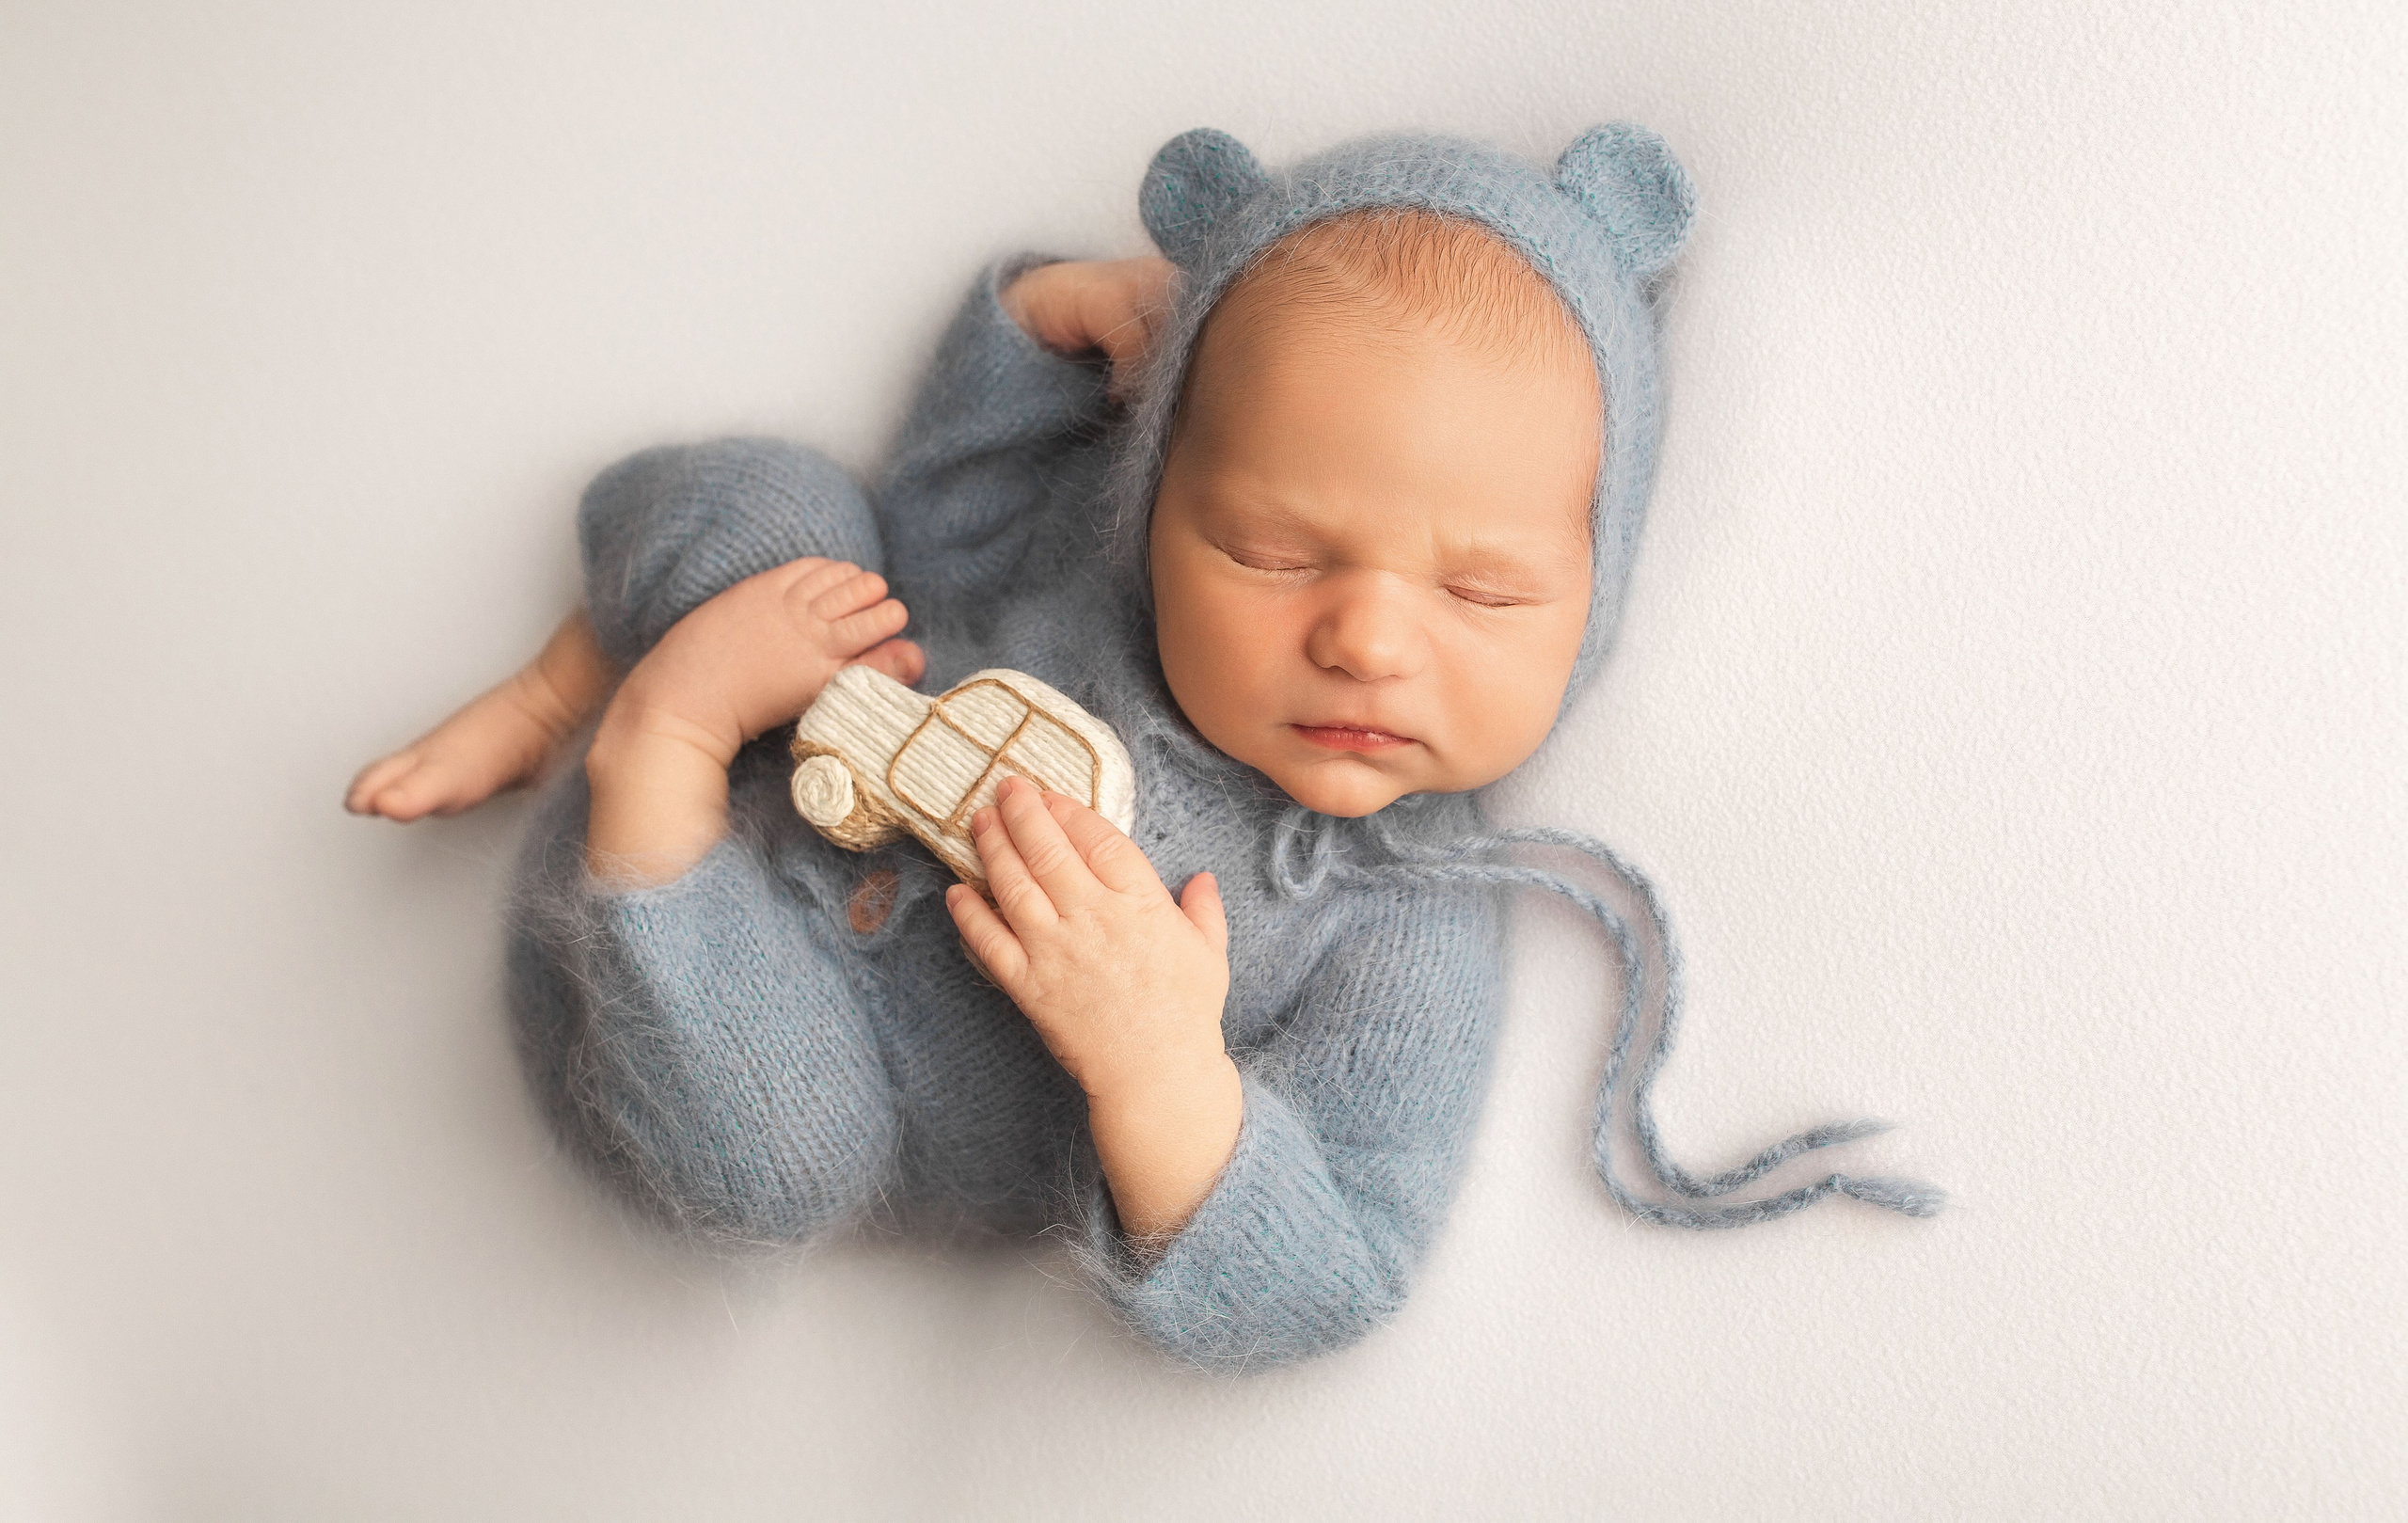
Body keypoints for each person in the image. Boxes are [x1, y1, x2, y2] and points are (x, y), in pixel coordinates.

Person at [348, 125, 1937, 1373]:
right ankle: (574, 679)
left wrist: (1159, 1068)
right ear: (1156, 504)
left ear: (1596, 595)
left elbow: (1339, 1264)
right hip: (795, 685)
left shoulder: (1396, 914)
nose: (1370, 639)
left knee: (789, 1162)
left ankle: (648, 750)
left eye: (1483, 589)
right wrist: (1040, 328)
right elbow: (940, 504)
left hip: (711, 1052)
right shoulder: (1099, 584)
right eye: (1267, 548)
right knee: (795, 520)